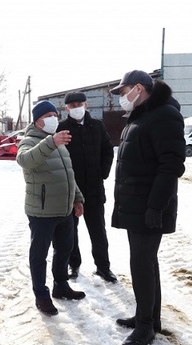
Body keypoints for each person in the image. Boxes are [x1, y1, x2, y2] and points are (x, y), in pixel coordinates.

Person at [109, 70, 185, 345]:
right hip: (136, 204)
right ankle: (150, 318)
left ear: (138, 88)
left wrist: (156, 206)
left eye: (123, 91)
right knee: (146, 263)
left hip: (149, 207)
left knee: (141, 265)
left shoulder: (164, 115)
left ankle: (145, 328)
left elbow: (171, 165)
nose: (121, 98)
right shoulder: (141, 116)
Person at [16, 100, 86, 316]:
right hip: (42, 211)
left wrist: (77, 198)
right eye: (48, 115)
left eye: (55, 115)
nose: (53, 119)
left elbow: (68, 174)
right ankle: (41, 296)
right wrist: (51, 143)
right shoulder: (29, 141)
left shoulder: (59, 142)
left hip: (64, 209)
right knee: (39, 255)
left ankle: (61, 286)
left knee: (65, 249)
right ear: (37, 120)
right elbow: (25, 160)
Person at [57, 92, 116, 283]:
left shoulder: (97, 125)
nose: (76, 108)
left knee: (98, 230)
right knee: (70, 231)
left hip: (94, 189)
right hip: (71, 191)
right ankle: (74, 265)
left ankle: (103, 267)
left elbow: (108, 150)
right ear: (66, 108)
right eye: (72, 105)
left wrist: (102, 172)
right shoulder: (62, 128)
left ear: (86, 105)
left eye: (79, 104)